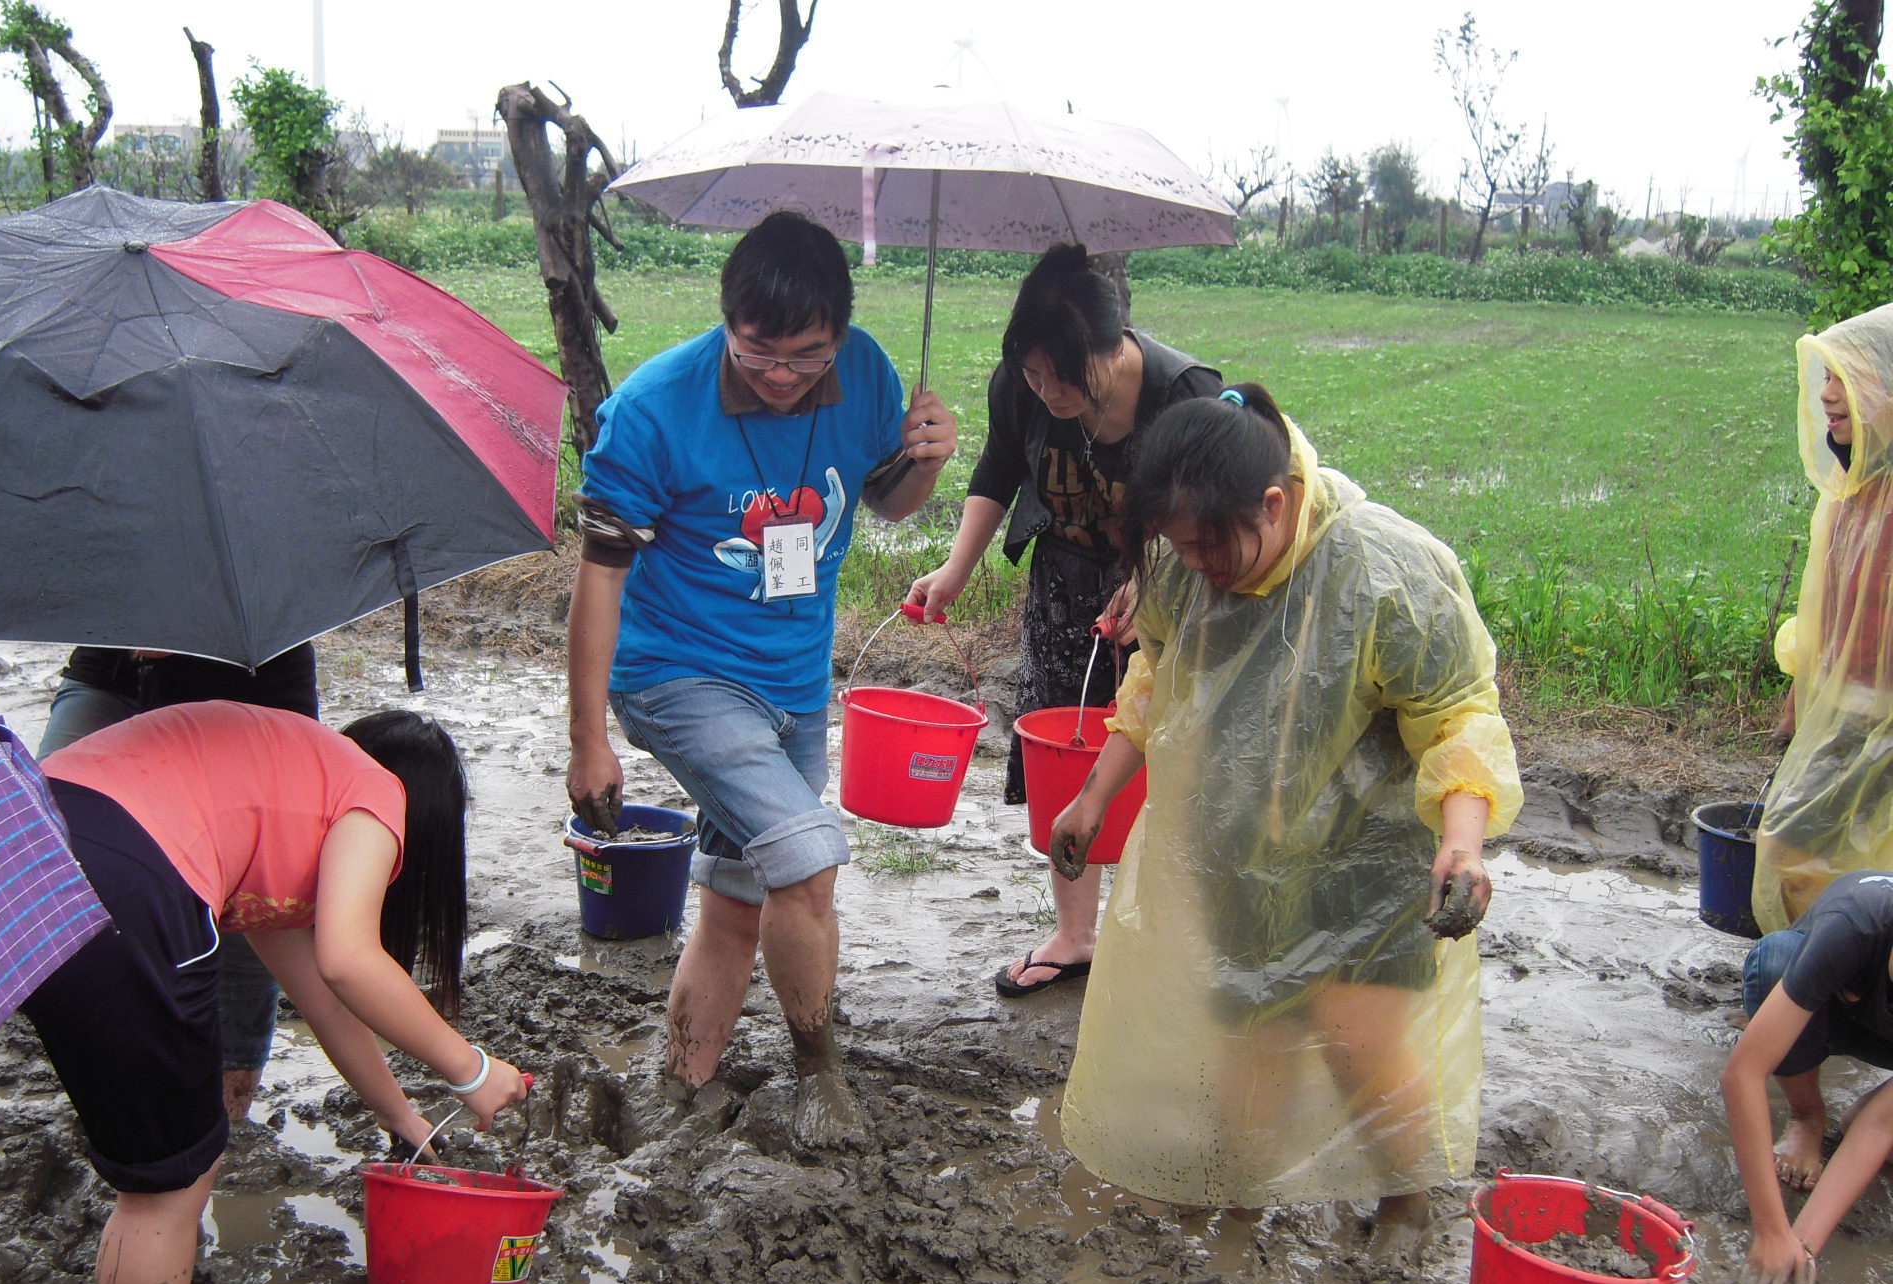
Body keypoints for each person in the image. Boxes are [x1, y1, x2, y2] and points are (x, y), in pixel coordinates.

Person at [1045, 386, 1522, 1231]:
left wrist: (1463, 843)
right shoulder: (1187, 569)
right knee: (1251, 1037)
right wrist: (1092, 798)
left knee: (1358, 1041)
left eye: (1209, 547)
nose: (1197, 567)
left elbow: (1458, 717)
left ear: (1274, 502)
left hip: (1363, 860)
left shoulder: (1384, 571)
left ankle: (1404, 1208)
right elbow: (1157, 681)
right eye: (1178, 549)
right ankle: (1239, 1208)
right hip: (1241, 852)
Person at [564, 211, 955, 1149]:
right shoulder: (656, 410)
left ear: (839, 334)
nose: (783, 376)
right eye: (759, 353)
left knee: (741, 896)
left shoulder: (861, 372)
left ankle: (678, 1086)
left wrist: (927, 464)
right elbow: (598, 578)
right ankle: (820, 1074)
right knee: (807, 859)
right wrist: (588, 738)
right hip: (679, 677)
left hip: (791, 682)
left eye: (806, 356)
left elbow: (887, 501)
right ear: (727, 322)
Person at [23, 701, 529, 1284]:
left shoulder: (287, 795)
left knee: (158, 1157)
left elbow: (324, 999)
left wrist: (404, 1118)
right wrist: (473, 1070)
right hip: (132, 872)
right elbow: (349, 961)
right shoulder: (376, 791)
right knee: (170, 1185)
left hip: (26, 838)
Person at [905, 244, 1223, 998]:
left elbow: (1215, 515)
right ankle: (1076, 936)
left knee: (1166, 753)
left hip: (1171, 592)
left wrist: (1155, 588)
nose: (1046, 391)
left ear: (1114, 349)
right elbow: (999, 467)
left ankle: (1167, 936)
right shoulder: (1023, 390)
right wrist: (955, 572)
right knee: (1064, 747)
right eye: (1033, 373)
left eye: (1063, 376)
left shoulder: (1185, 394)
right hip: (1065, 579)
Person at [39, 644, 322, 1125]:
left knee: (251, 895)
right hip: (114, 677)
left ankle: (226, 1110)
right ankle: (103, 1077)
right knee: (51, 852)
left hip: (254, 688)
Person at [1754, 302, 1893, 937]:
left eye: (1846, 378)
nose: (1828, 394)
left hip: (1882, 720)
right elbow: (1827, 609)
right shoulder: (1849, 490)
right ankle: (1810, 989)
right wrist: (1800, 693)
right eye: (1826, 378)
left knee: (1855, 859)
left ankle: (1822, 995)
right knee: (1797, 843)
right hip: (1845, 713)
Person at [1724, 870, 1893, 1284]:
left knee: (1874, 1127)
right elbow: (1743, 1074)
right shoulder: (1855, 923)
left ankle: (1858, 1111)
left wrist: (1801, 1246)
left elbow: (1882, 1126)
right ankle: (1806, 1115)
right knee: (1776, 960)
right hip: (1824, 1007)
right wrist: (1770, 1230)